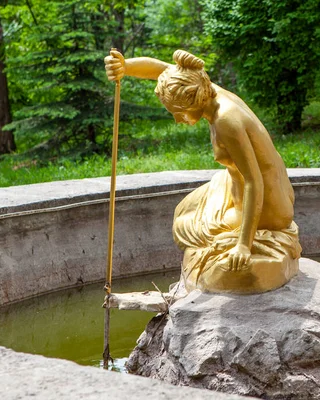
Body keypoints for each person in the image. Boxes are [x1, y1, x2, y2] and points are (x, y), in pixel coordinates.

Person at [104, 49, 301, 293]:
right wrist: (126, 66)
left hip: (270, 209)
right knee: (185, 209)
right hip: (246, 187)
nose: (178, 120)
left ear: (192, 101)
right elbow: (161, 71)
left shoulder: (226, 120)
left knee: (185, 227)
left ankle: (249, 237)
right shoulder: (201, 84)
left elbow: (254, 182)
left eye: (178, 113)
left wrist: (243, 245)